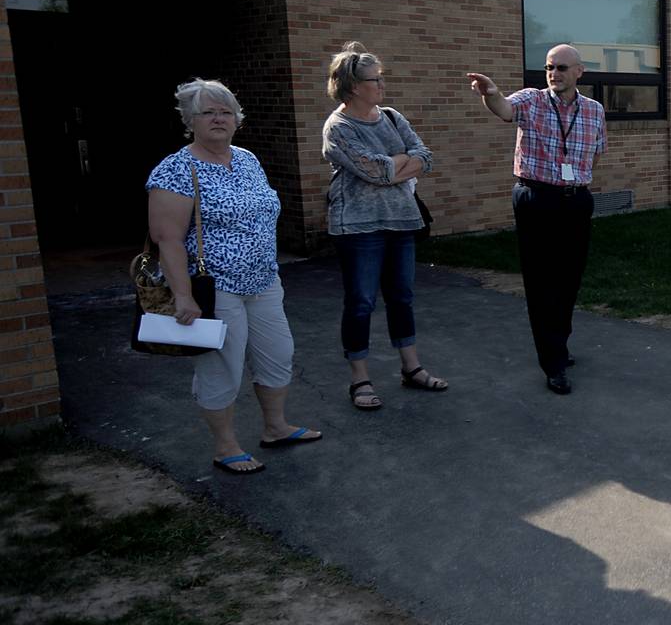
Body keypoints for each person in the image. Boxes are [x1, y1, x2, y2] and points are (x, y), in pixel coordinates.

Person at [147, 79, 322, 475]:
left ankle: (276, 427)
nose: (218, 119)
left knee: (278, 355)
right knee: (222, 367)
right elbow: (167, 239)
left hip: (264, 282)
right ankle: (226, 447)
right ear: (190, 119)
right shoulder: (176, 169)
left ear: (237, 119)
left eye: (225, 111)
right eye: (208, 112)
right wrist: (183, 296)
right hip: (214, 288)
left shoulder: (246, 159)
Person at [467, 44, 606, 395]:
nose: (553, 73)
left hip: (575, 201)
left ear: (579, 71)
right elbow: (504, 109)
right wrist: (491, 94)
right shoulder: (531, 100)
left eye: (561, 67)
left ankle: (558, 343)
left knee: (569, 279)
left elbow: (595, 153)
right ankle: (553, 362)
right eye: (548, 67)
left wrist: (575, 184)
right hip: (536, 199)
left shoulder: (594, 110)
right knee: (542, 282)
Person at [323, 41, 447, 410]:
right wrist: (398, 165)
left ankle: (412, 369)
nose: (382, 85)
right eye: (374, 80)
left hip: (401, 222)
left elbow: (425, 157)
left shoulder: (392, 116)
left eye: (381, 78)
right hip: (358, 227)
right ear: (351, 86)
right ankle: (359, 379)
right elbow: (371, 171)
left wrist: (394, 166)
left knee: (402, 297)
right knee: (361, 302)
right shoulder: (338, 126)